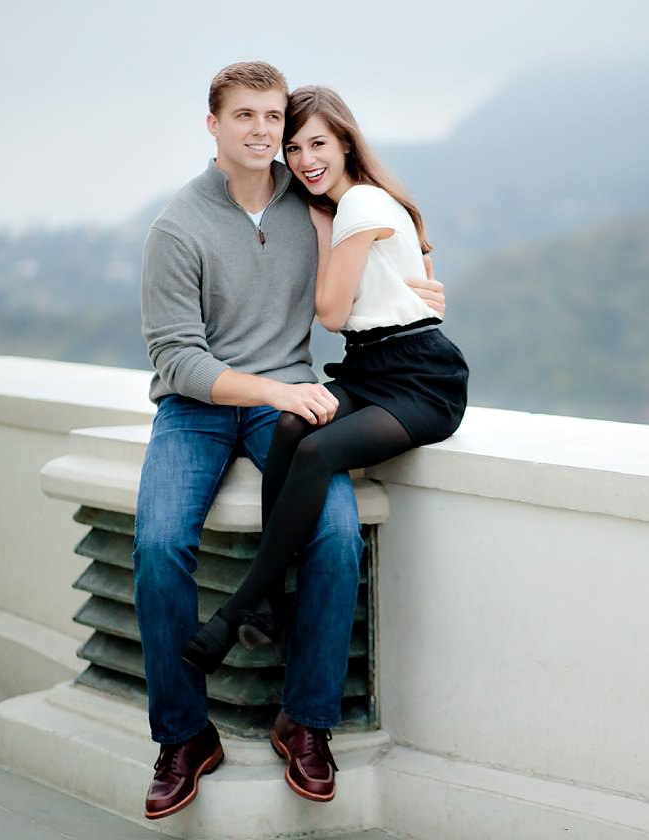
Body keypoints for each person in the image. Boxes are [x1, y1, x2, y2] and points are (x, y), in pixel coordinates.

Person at [134, 62, 446, 819]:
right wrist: (272, 389)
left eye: (272, 117)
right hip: (201, 405)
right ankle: (184, 736)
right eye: (245, 117)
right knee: (158, 544)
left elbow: (379, 241)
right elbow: (175, 357)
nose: (263, 132)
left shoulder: (309, 200)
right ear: (213, 125)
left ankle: (305, 722)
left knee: (337, 537)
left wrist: (417, 288)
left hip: (293, 395)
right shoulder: (178, 227)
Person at [181, 86, 468, 690]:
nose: (307, 159)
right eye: (294, 147)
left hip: (422, 383)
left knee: (316, 448)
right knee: (292, 424)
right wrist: (322, 221)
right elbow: (406, 285)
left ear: (345, 142)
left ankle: (240, 608)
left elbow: (331, 313)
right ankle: (262, 607)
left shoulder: (360, 204)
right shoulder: (343, 212)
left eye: (318, 144)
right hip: (368, 371)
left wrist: (320, 223)